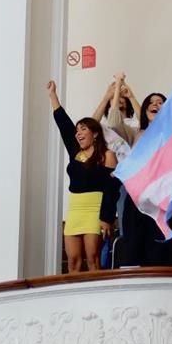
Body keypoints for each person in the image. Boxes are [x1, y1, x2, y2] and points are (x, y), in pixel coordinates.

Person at [101, 72, 172, 267]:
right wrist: (118, 85)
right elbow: (114, 122)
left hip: (161, 198)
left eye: (160, 102)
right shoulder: (136, 133)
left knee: (157, 247)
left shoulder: (171, 134)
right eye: (151, 102)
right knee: (133, 243)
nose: (155, 104)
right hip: (136, 197)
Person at [47, 81, 119, 273]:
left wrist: (107, 217)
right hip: (75, 210)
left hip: (95, 210)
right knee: (73, 261)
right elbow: (63, 123)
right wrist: (52, 95)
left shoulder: (107, 156)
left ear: (95, 134)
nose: (78, 133)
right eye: (77, 130)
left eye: (83, 129)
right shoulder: (75, 152)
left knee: (93, 259)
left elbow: (112, 189)